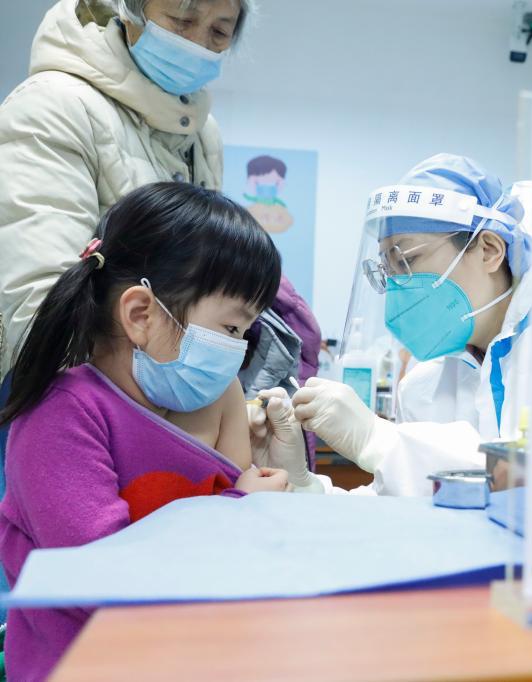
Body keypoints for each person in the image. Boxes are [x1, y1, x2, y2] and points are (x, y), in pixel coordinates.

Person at [0, 0, 323, 491]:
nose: (198, 43)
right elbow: (38, 311)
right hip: (74, 417)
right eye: (182, 18)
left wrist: (205, 396)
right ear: (127, 9)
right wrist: (171, 436)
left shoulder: (200, 134)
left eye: (220, 31)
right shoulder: (52, 107)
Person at [0, 183, 313, 681]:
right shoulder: (63, 415)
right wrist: (241, 509)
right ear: (141, 314)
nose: (237, 350)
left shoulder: (220, 398)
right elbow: (98, 581)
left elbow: (247, 556)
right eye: (231, 329)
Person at [292, 154, 532, 496]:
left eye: (407, 260)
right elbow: (403, 503)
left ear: (489, 250)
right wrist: (307, 489)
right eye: (389, 269)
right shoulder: (423, 385)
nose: (397, 286)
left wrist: (377, 438)